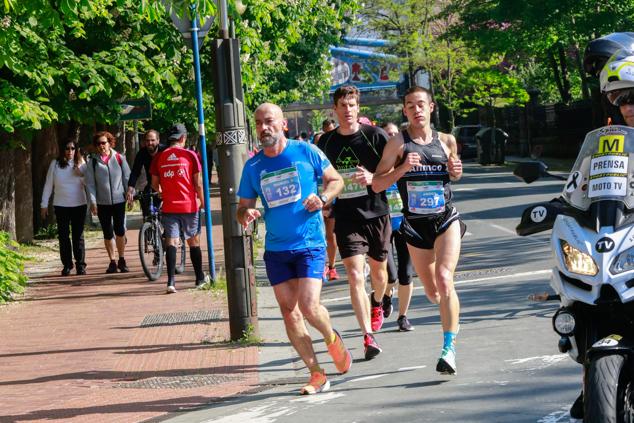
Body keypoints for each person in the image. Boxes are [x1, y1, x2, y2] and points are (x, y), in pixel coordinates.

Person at [236, 103, 350, 395]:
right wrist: (246, 215)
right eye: (259, 123)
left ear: (283, 124)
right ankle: (316, 373)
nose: (264, 127)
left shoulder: (306, 151)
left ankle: (331, 337)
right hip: (276, 249)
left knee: (309, 306)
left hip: (309, 243)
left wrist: (323, 198)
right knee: (289, 313)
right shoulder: (253, 166)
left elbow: (336, 180)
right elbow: (242, 208)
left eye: (269, 121)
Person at [373, 86, 464, 375]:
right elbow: (376, 184)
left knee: (445, 278)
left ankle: (449, 348)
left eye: (421, 104)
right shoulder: (397, 144)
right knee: (433, 291)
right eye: (410, 105)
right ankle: (445, 308)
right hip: (414, 225)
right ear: (405, 111)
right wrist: (401, 170)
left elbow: (454, 175)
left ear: (431, 107)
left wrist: (456, 170)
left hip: (445, 218)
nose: (416, 109)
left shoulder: (447, 140)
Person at [319, 85, 391, 360]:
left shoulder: (375, 136)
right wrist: (323, 199)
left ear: (358, 108)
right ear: (334, 110)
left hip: (377, 212)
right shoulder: (325, 143)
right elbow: (319, 175)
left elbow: (394, 168)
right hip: (347, 215)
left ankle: (378, 301)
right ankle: (367, 336)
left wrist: (373, 177)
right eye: (342, 105)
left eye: (352, 105)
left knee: (379, 274)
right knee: (354, 274)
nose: (347, 110)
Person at [150, 124, 207, 293]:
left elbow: (154, 183)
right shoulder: (190, 155)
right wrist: (203, 202)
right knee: (193, 242)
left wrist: (161, 192)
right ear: (183, 138)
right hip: (188, 205)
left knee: (171, 242)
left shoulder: (160, 157)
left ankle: (171, 282)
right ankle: (199, 278)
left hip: (169, 206)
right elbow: (197, 183)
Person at [380, 122, 415, 331]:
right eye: (388, 134)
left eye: (395, 134)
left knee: (406, 273)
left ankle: (403, 316)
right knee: (390, 275)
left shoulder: (412, 163)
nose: (392, 137)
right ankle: (385, 295)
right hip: (383, 225)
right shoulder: (379, 165)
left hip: (406, 224)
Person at [86, 131, 131, 274]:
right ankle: (112, 261)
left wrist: (130, 195)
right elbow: (90, 184)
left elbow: (126, 178)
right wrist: (92, 202)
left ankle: (122, 259)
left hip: (119, 200)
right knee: (107, 232)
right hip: (102, 202)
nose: (101, 146)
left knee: (120, 230)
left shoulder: (119, 158)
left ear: (109, 143)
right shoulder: (92, 162)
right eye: (98, 144)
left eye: (104, 143)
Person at [40, 139, 88, 276]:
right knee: (63, 236)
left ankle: (80, 265)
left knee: (78, 235)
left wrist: (81, 174)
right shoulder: (55, 164)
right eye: (67, 148)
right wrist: (44, 205)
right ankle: (67, 264)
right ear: (62, 150)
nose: (70, 151)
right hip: (61, 205)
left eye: (73, 148)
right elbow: (49, 185)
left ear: (76, 150)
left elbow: (89, 183)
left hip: (79, 204)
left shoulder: (81, 163)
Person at [126, 129, 165, 217]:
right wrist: (130, 189)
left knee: (166, 214)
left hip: (166, 184)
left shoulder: (165, 151)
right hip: (152, 184)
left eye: (152, 140)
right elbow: (135, 171)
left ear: (158, 140)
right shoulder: (142, 153)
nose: (150, 143)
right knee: (146, 205)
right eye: (147, 140)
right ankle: (147, 225)